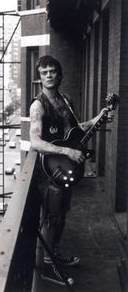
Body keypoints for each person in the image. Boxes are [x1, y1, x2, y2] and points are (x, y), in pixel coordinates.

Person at [29, 55, 107, 286]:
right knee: (51, 218)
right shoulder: (38, 106)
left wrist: (97, 118)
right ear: (39, 78)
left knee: (62, 215)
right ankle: (45, 265)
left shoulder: (66, 100)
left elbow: (75, 130)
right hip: (50, 171)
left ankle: (54, 254)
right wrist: (67, 153)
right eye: (44, 72)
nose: (49, 75)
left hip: (66, 168)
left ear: (60, 75)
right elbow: (35, 142)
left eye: (53, 71)